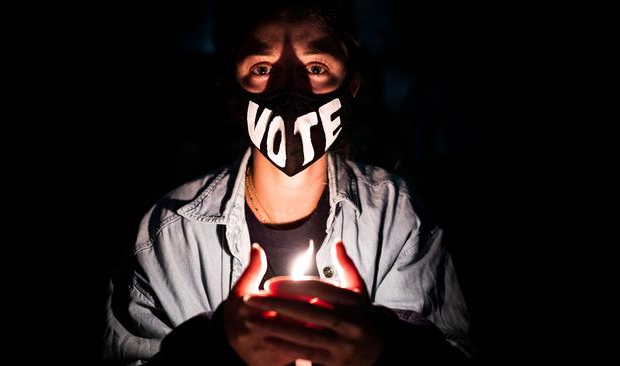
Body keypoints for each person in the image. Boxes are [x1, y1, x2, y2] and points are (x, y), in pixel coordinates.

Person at [102, 1, 473, 364]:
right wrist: (216, 348)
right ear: (234, 88)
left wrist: (385, 346)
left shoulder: (397, 216)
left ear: (353, 85)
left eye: (315, 67)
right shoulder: (169, 235)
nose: (290, 90)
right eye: (263, 68)